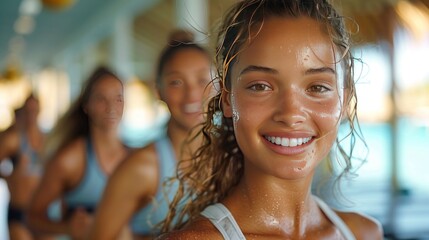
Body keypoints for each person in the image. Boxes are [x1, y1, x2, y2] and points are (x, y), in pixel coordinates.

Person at [158, 0, 384, 239]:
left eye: (317, 87)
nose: (290, 114)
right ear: (227, 99)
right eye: (260, 86)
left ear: (343, 101)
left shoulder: (364, 232)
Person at [88, 30, 213, 240]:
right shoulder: (141, 168)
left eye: (202, 80)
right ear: (158, 92)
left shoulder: (234, 155)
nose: (192, 94)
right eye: (176, 82)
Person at [27, 66, 130, 240]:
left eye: (118, 98)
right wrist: (67, 228)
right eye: (101, 99)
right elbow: (32, 218)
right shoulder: (70, 159)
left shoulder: (134, 157)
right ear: (86, 106)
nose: (111, 106)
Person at [0, 95, 52, 240]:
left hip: (42, 213)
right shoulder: (14, 139)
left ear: (40, 111)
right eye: (28, 110)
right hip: (19, 210)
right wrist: (10, 177)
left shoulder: (48, 141)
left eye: (34, 110)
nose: (31, 114)